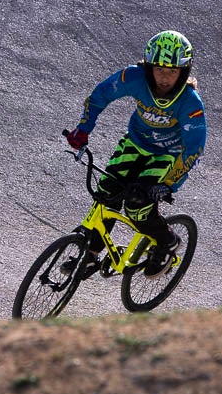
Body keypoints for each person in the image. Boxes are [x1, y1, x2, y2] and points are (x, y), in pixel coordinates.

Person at [63, 29, 207, 276]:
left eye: (172, 72)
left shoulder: (190, 103)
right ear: (148, 67)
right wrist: (83, 129)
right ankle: (91, 254)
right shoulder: (134, 77)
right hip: (135, 143)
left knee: (137, 206)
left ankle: (167, 241)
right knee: (106, 193)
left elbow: (193, 149)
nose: (164, 78)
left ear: (183, 73)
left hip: (167, 154)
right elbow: (100, 95)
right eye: (159, 69)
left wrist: (169, 184)